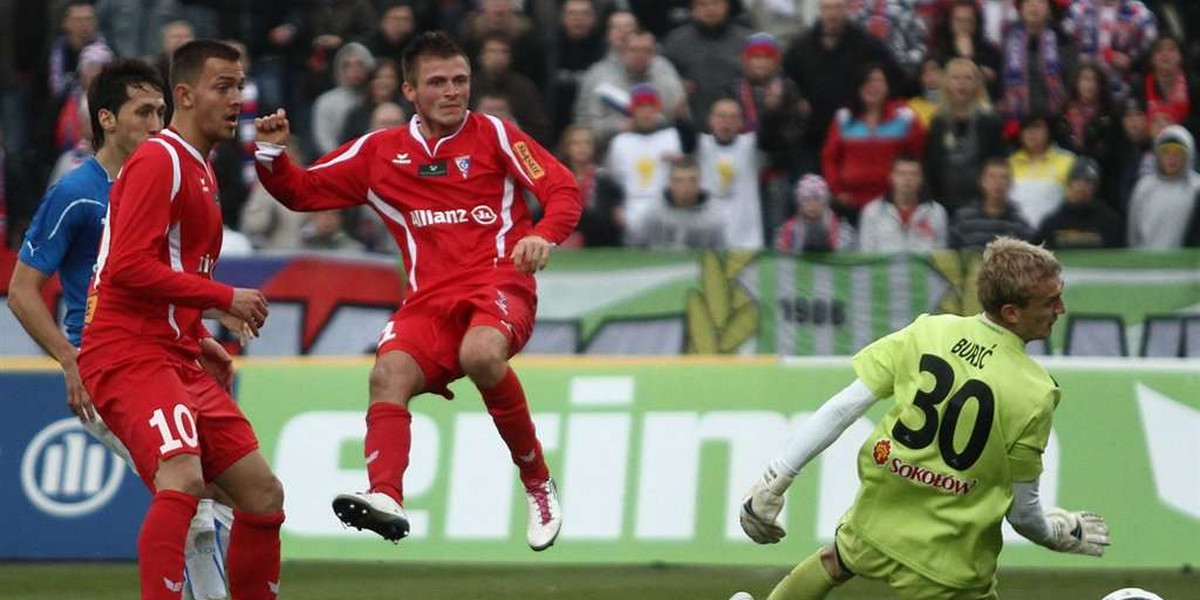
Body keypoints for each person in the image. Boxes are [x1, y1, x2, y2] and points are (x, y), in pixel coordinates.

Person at [253, 32, 580, 550]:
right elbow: (303, 191)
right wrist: (271, 154)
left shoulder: (496, 135)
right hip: (428, 302)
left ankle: (537, 481)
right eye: (438, 82)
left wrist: (543, 234)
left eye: (460, 81)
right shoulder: (380, 152)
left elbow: (562, 188)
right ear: (409, 90)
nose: (452, 92)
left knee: (480, 354)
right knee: (388, 373)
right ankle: (387, 495)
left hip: (499, 283)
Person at [733, 236, 1109, 600]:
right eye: (1051, 301)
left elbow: (843, 407)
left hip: (877, 520)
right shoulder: (1036, 391)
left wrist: (773, 482)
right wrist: (1059, 533)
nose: (1060, 309)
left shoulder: (928, 331)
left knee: (835, 560)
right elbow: (1023, 515)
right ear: (1011, 312)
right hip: (948, 562)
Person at [11, 57, 235, 600]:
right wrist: (71, 359)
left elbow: (160, 282)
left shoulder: (168, 175)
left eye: (161, 110)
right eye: (143, 112)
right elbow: (22, 290)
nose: (158, 123)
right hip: (111, 362)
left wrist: (196, 337)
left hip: (162, 354)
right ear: (107, 119)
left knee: (221, 495)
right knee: (194, 494)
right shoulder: (78, 192)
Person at [77, 40, 282, 600]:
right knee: (183, 480)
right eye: (223, 87)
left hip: (175, 353)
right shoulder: (159, 159)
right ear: (185, 96)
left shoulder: (202, 172)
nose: (236, 99)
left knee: (263, 494)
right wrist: (221, 298)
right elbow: (127, 268)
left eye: (240, 87)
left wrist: (196, 334)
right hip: (127, 352)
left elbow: (162, 271)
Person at [821, 63, 926, 221]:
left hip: (893, 204)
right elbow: (829, 158)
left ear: (887, 86)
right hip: (851, 204)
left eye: (878, 81)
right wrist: (837, 191)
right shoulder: (844, 117)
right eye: (867, 81)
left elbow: (918, 154)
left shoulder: (905, 116)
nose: (872, 86)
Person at [924, 58, 1007, 212]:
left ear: (977, 84)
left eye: (967, 78)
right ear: (946, 83)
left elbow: (998, 162)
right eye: (955, 78)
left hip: (980, 204)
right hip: (942, 202)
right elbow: (931, 166)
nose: (961, 83)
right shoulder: (937, 122)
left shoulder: (990, 121)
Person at [697, 98, 764, 249]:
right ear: (710, 120)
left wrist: (772, 109)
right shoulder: (700, 144)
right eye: (720, 116)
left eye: (732, 117)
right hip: (708, 244)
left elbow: (769, 135)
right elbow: (684, 136)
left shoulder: (750, 145)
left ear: (741, 122)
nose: (726, 122)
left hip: (747, 244)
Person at [1127, 125, 1200, 249]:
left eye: (1178, 153)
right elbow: (1133, 232)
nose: (1172, 158)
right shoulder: (1144, 187)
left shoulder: (1196, 187)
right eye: (1166, 152)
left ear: (1188, 156)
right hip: (1147, 263)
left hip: (1186, 266)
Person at [858, 155, 948, 253]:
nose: (907, 178)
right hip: (884, 267)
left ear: (921, 179)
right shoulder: (872, 212)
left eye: (913, 174)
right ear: (891, 177)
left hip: (923, 267)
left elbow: (941, 254)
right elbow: (866, 254)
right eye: (901, 173)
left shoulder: (936, 212)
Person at [636, 158, 727, 250]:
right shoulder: (653, 213)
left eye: (692, 180)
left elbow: (721, 253)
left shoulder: (714, 217)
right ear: (670, 183)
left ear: (700, 182)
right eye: (679, 180)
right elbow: (635, 248)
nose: (686, 186)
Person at [1036, 157, 1123, 249]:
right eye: (1077, 180)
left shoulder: (1110, 220)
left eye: (1088, 181)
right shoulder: (1052, 222)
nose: (1082, 186)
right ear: (1069, 183)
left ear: (1096, 187)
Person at [951, 158, 1036, 248]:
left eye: (1003, 177)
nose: (998, 183)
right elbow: (949, 253)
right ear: (982, 182)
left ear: (1010, 183)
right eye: (992, 177)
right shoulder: (963, 218)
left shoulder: (1018, 221)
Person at [775, 174, 856, 253]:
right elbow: (779, 257)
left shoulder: (841, 228)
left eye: (817, 198)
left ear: (825, 202)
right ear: (799, 205)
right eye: (805, 199)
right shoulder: (788, 230)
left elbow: (846, 258)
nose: (812, 204)